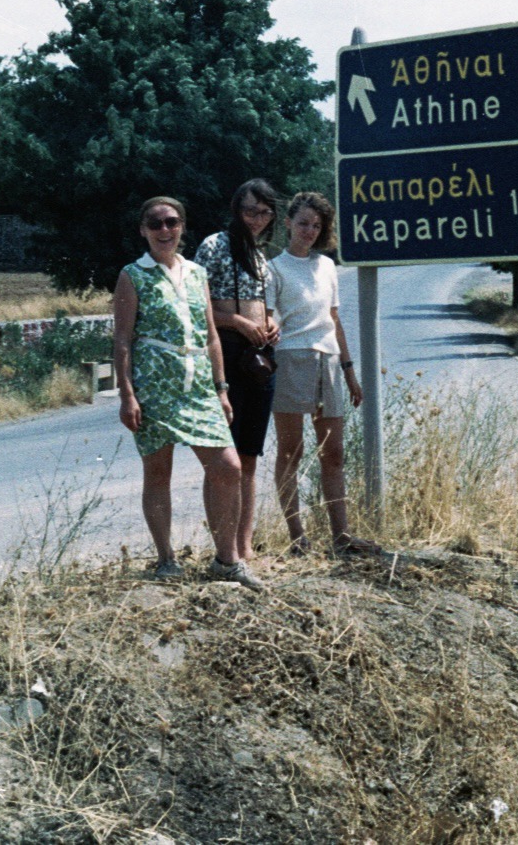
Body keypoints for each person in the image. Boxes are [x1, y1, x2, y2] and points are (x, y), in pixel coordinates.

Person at [113, 196, 263, 589]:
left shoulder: (197, 273)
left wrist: (221, 388)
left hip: (197, 385)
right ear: (143, 230)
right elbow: (123, 341)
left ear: (182, 227)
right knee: (158, 471)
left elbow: (211, 334)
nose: (165, 230)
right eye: (156, 223)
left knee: (227, 468)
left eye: (172, 222)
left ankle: (226, 560)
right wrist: (127, 394)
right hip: (155, 386)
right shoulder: (133, 275)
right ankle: (166, 559)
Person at [267, 191, 381, 556]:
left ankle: (342, 536)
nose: (309, 231)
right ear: (287, 223)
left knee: (333, 453)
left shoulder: (327, 266)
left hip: (329, 361)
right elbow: (269, 318)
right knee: (291, 452)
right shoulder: (273, 269)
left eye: (316, 225)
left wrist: (350, 372)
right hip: (290, 359)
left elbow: (333, 320)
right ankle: (297, 538)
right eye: (302, 223)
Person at [194, 179, 281, 560]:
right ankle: (224, 549)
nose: (257, 219)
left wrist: (270, 323)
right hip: (227, 353)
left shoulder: (262, 257)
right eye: (249, 211)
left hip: (260, 359)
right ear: (235, 210)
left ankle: (244, 547)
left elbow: (266, 305)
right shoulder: (214, 246)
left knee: (248, 456)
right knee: (222, 458)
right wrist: (239, 324)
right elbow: (197, 306)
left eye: (264, 212)